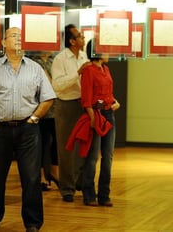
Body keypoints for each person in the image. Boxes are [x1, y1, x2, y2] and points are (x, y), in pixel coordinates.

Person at [0, 27, 56, 232]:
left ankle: (33, 222)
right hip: (1, 128)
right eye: (14, 36)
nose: (19, 39)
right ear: (3, 43)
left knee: (32, 177)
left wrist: (34, 118)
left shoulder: (36, 68)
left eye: (21, 36)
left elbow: (48, 97)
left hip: (28, 129)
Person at [51, 24, 90, 202]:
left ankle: (80, 181)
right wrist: (77, 73)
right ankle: (67, 188)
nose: (83, 39)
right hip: (66, 105)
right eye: (80, 36)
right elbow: (57, 86)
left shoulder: (84, 56)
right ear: (72, 41)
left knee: (83, 146)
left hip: (83, 104)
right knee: (66, 148)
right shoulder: (60, 59)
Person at [79, 39, 120, 206]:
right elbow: (87, 99)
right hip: (96, 115)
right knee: (93, 157)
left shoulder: (106, 68)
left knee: (108, 156)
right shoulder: (88, 70)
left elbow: (108, 92)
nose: (109, 53)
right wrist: (93, 118)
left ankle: (104, 194)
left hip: (109, 114)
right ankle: (88, 195)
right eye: (106, 49)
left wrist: (114, 102)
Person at [32, 52, 59, 191]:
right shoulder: (33, 62)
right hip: (40, 109)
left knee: (56, 144)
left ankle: (54, 174)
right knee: (41, 144)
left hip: (55, 109)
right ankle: (41, 176)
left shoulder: (54, 60)